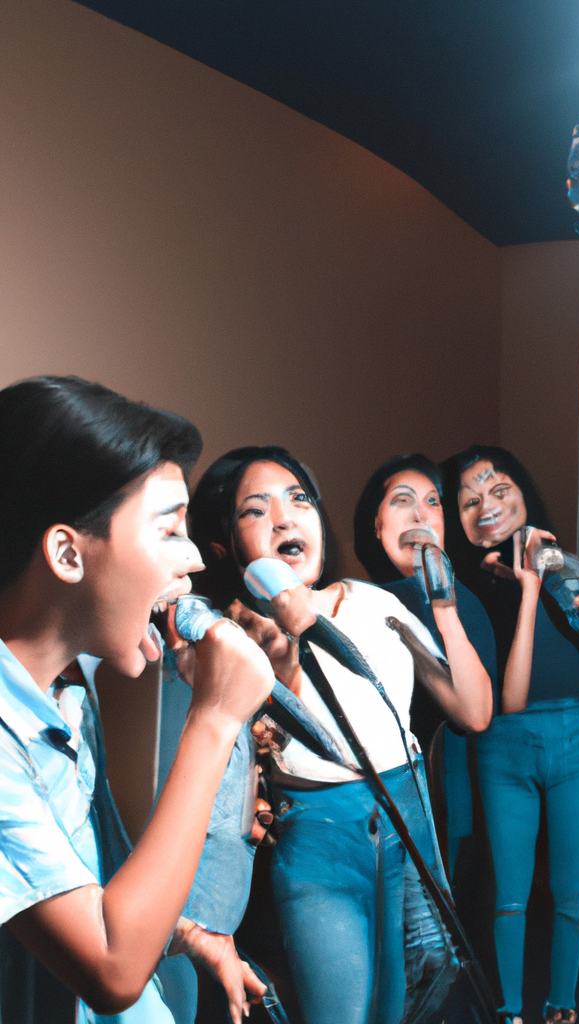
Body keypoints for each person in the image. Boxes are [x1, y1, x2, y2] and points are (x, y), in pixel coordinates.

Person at [0, 376, 274, 1023]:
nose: (193, 562)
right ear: (67, 552)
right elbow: (111, 967)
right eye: (168, 530)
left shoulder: (66, 689)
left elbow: (66, 890)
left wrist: (180, 930)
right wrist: (214, 720)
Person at [187, 445, 492, 1024]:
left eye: (299, 499)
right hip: (320, 841)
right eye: (257, 510)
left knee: (428, 978)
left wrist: (443, 606)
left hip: (409, 820)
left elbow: (474, 713)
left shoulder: (374, 603)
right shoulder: (225, 640)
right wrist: (277, 642)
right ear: (225, 543)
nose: (285, 517)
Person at [441, 445, 579, 1024]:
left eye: (499, 490)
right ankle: (510, 1013)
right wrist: (523, 589)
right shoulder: (463, 595)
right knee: (510, 896)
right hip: (505, 748)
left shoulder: (566, 569)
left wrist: (558, 574)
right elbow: (510, 700)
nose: (486, 506)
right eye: (469, 501)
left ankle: (563, 1007)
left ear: (524, 493)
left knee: (571, 894)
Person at [352, 453, 497, 881]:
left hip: (445, 807)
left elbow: (475, 715)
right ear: (377, 527)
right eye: (402, 500)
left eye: (433, 502)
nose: (420, 513)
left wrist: (443, 607)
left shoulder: (464, 603)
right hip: (367, 806)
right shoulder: (356, 603)